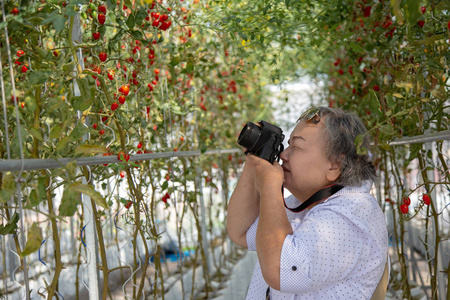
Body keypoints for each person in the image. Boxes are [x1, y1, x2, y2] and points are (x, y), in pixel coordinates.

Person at [227, 106, 388, 299]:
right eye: (287, 145)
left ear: (334, 165)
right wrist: (254, 162)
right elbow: (240, 232)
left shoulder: (353, 214)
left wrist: (270, 187)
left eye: (296, 147)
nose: (284, 155)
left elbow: (280, 270)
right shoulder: (303, 204)